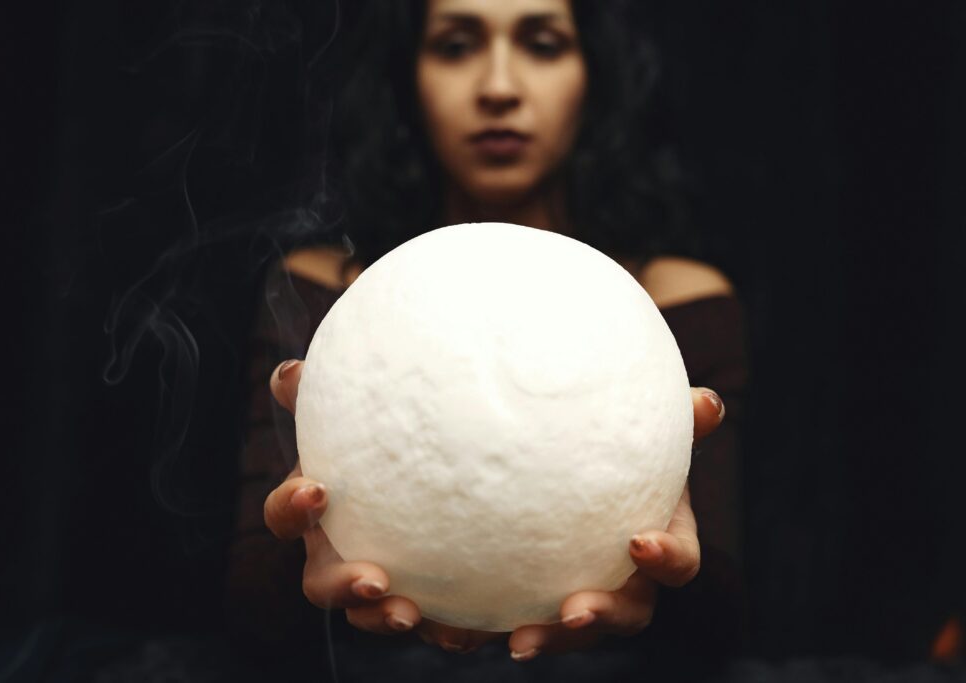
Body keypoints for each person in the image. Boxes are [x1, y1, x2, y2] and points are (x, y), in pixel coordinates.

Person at [224, 0, 748, 679]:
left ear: (594, 74)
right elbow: (249, 619)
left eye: (542, 43)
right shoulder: (330, 300)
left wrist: (670, 576)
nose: (498, 86)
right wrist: (301, 546)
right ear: (408, 78)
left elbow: (721, 628)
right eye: (456, 45)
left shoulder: (674, 306)